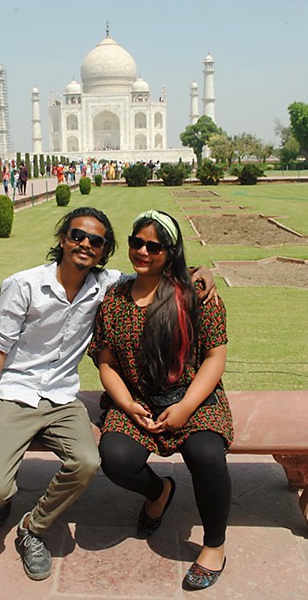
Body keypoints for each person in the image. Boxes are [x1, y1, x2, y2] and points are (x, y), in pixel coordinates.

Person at [0, 206, 216, 582]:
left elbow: (156, 270)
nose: (85, 244)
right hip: (17, 392)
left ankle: (33, 527)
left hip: (61, 397)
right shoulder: (24, 285)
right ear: (63, 238)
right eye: (77, 236)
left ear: (103, 250)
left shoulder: (105, 284)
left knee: (86, 462)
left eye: (95, 241)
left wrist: (203, 271)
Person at [88, 209, 233, 591]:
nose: (143, 252)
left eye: (154, 246)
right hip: (137, 400)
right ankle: (160, 492)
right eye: (137, 242)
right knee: (117, 459)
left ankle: (214, 545)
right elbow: (106, 362)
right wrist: (126, 404)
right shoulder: (115, 299)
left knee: (206, 455)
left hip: (193, 399)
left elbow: (215, 358)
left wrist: (185, 407)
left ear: (170, 251)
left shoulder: (195, 294)